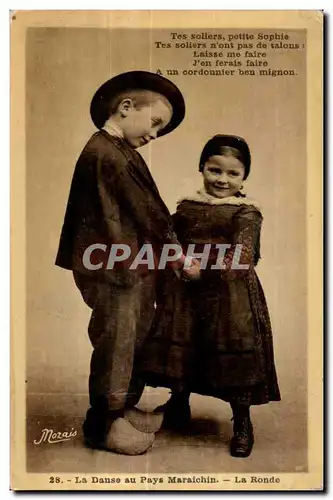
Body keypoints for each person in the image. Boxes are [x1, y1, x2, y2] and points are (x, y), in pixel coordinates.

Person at [55, 71, 200, 455]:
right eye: (155, 123)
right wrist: (178, 255)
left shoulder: (117, 151)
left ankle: (124, 407)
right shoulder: (108, 154)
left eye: (162, 130)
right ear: (125, 108)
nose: (156, 134)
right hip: (115, 267)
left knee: (133, 332)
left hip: (127, 263)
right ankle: (104, 424)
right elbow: (149, 212)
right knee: (118, 339)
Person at [140, 134, 281, 458]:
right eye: (215, 170)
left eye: (233, 173)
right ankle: (179, 403)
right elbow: (169, 234)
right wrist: (174, 256)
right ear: (202, 167)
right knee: (186, 344)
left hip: (227, 295)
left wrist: (204, 272)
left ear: (244, 176)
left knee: (230, 351)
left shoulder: (246, 212)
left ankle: (243, 423)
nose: (222, 179)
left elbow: (243, 256)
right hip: (186, 292)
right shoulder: (188, 205)